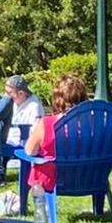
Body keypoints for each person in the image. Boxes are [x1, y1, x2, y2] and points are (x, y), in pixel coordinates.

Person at [23, 73, 90, 203]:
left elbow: (30, 151)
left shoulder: (47, 124)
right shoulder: (93, 123)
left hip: (53, 180)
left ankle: (29, 204)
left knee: (37, 164)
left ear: (57, 99)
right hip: (88, 177)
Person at [5, 74, 45, 144]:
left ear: (21, 93)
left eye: (10, 93)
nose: (7, 96)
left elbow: (35, 132)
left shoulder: (34, 106)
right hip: (8, 140)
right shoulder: (13, 102)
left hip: (22, 144)